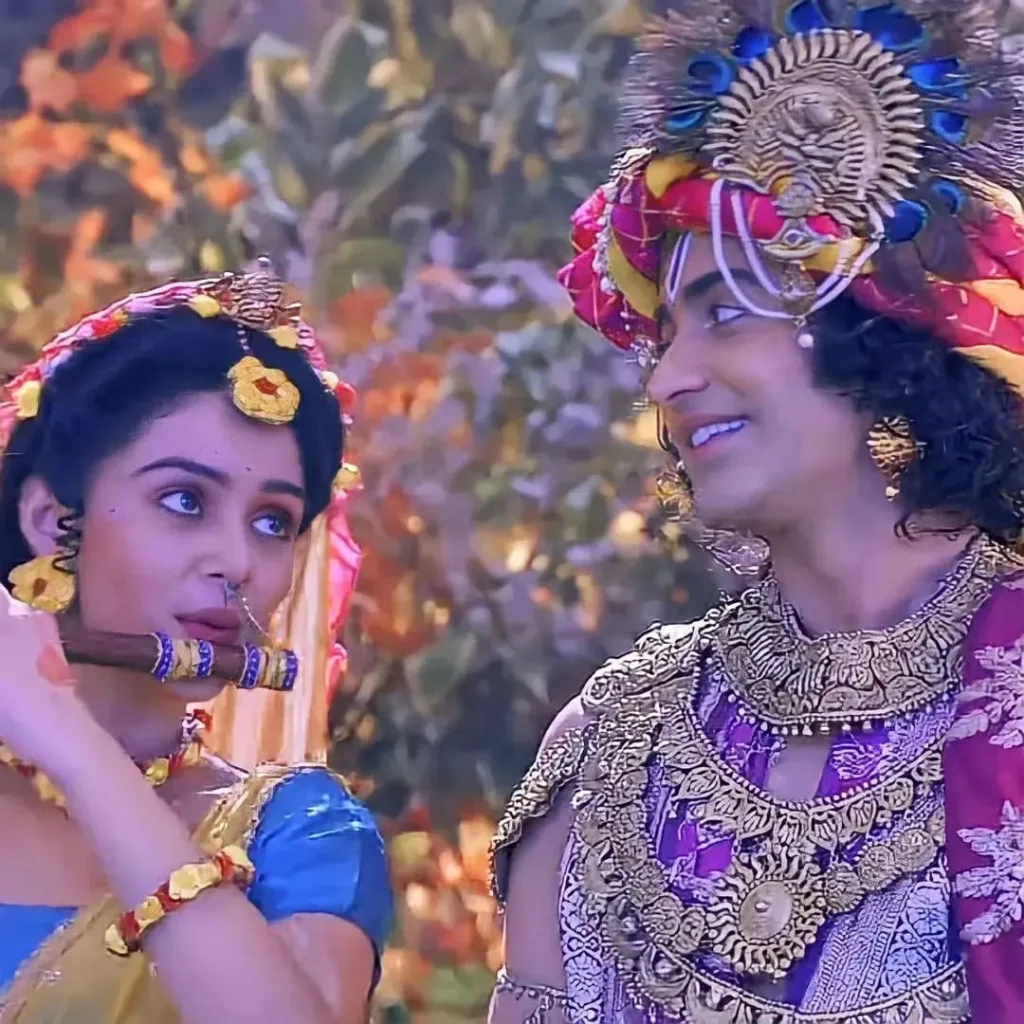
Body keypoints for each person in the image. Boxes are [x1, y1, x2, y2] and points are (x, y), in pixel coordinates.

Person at [489, 1, 1024, 1020]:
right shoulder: (606, 746)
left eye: (726, 313)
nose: (668, 381)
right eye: (662, 340)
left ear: (875, 324)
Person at [0, 259, 392, 1022]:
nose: (238, 561)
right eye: (184, 500)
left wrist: (72, 744)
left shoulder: (299, 832)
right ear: (52, 522)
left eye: (272, 521)